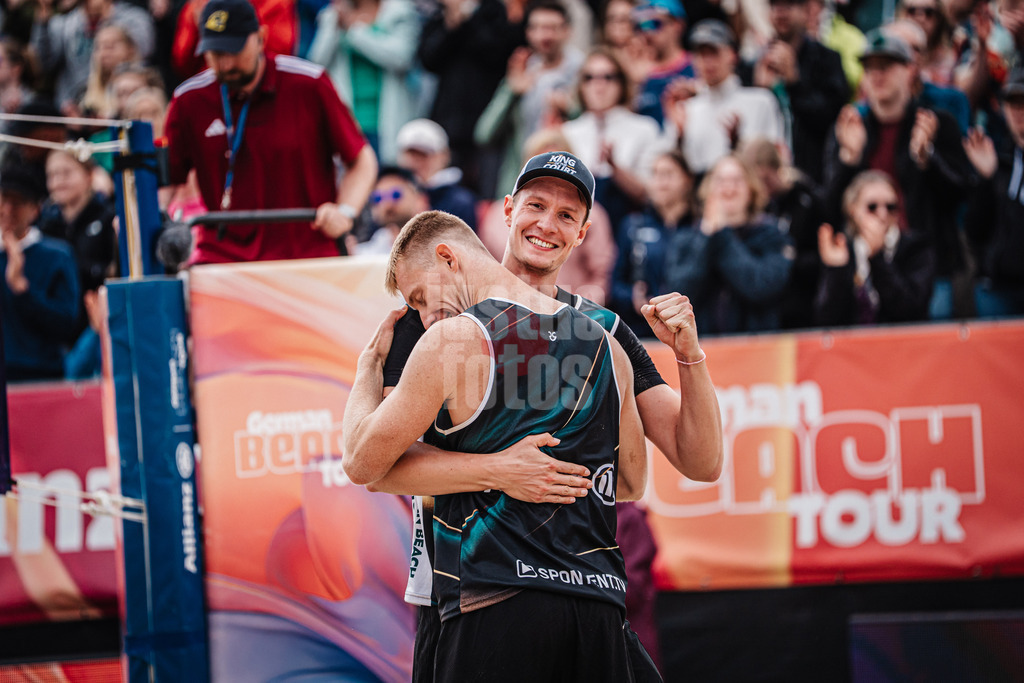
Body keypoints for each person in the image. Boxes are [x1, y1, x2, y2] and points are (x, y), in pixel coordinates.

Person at [370, 151, 722, 681]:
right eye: (536, 205)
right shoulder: (437, 312)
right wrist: (500, 470)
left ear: (582, 234)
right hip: (464, 591)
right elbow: (380, 465)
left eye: (566, 215)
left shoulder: (604, 332)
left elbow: (700, 461)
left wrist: (690, 356)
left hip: (578, 593)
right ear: (508, 210)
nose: (547, 224)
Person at [343, 207, 650, 681]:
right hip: (596, 602)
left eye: (421, 296)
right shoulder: (608, 347)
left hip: (495, 595)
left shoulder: (453, 340)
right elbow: (631, 481)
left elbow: (361, 461)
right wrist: (517, 470)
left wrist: (368, 367)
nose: (423, 316)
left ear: (448, 258)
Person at [164, 0, 378, 264]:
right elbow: (166, 182)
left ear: (261, 38)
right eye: (216, 54)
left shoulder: (308, 84)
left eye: (234, 50)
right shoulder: (189, 100)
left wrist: (345, 212)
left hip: (306, 253)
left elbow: (361, 159)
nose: (226, 64)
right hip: (222, 257)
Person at [822, 30, 976, 319]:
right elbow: (830, 208)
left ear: (910, 70)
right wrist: (848, 160)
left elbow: (961, 197)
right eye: (869, 67)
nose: (877, 75)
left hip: (928, 268)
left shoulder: (936, 123)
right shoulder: (849, 127)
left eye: (886, 65)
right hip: (864, 268)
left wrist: (927, 158)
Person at [663, 154, 794, 334]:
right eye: (721, 181)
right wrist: (707, 237)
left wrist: (722, 234)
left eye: (737, 180)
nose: (729, 188)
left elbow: (762, 287)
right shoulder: (686, 238)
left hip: (757, 344)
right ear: (708, 189)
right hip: (701, 346)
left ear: (751, 189)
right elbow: (679, 293)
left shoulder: (771, 235)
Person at [475, 0, 584, 200]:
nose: (545, 35)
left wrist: (570, 110)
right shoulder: (522, 70)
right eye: (538, 27)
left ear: (567, 31)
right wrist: (511, 92)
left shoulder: (584, 73)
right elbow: (484, 134)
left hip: (566, 183)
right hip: (519, 181)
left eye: (552, 28)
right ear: (528, 32)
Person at [416, 0, 517, 198]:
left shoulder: (494, 11)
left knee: (485, 189)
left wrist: (468, 20)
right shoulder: (439, 16)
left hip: (486, 120)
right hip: (448, 119)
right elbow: (428, 59)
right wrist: (451, 25)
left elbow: (497, 52)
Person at [661, 19, 785, 175]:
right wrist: (679, 136)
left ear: (732, 55)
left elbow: (776, 160)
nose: (707, 61)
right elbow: (672, 169)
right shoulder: (686, 109)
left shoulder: (761, 101)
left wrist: (738, 143)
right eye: (701, 54)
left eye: (713, 53)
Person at [307, 0, 422, 164]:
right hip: (348, 120)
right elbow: (317, 64)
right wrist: (333, 27)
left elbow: (401, 58)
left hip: (387, 120)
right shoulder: (333, 15)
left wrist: (354, 31)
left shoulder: (400, 12)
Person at [744, 0, 848, 181]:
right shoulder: (754, 63)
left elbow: (832, 120)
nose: (781, 13)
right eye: (775, 6)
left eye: (788, 5)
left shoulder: (827, 60)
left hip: (812, 175)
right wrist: (760, 91)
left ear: (805, 11)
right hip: (764, 176)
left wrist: (795, 82)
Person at [815, 170, 935, 325]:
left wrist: (877, 257)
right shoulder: (844, 249)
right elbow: (827, 319)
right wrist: (836, 271)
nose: (882, 214)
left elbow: (911, 310)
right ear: (853, 209)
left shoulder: (917, 247)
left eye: (890, 207)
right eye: (872, 207)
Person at [562, 47, 664, 232]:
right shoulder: (568, 131)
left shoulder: (644, 128)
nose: (599, 85)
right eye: (589, 77)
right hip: (577, 231)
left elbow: (651, 195)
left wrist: (615, 169)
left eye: (608, 77)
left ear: (622, 83)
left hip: (628, 229)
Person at [0, 164, 80, 382]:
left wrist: (22, 289)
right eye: (3, 200)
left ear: (35, 210)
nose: (7, 210)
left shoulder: (57, 256)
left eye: (17, 202)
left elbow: (66, 324)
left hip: (41, 377)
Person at [739, 137, 827, 330]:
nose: (762, 187)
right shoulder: (756, 208)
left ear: (776, 168)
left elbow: (821, 255)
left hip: (802, 301)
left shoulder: (807, 200)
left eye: (765, 179)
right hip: (769, 305)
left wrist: (790, 260)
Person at [961, 68, 1024, 316]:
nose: (1018, 111)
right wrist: (986, 180)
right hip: (999, 287)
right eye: (1012, 103)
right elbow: (975, 230)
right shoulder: (996, 157)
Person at [611, 149, 696, 332]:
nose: (660, 182)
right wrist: (632, 297)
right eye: (655, 174)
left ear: (687, 180)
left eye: (668, 174)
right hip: (643, 330)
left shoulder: (701, 227)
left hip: (693, 330)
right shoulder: (633, 225)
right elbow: (615, 284)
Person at [30, 0, 155, 116]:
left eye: (110, 46)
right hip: (77, 106)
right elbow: (42, 63)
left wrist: (107, 18)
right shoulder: (64, 23)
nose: (104, 53)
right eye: (99, 47)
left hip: (124, 104)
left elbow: (144, 50)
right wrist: (43, 19)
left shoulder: (134, 18)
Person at [38, 149, 117, 332]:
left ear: (89, 175)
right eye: (52, 175)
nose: (59, 181)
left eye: (66, 173)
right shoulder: (45, 225)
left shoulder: (108, 216)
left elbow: (111, 271)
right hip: (58, 322)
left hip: (96, 320)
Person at [395, 118, 479, 231]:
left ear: (444, 156)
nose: (416, 162)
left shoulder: (460, 201)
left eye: (424, 155)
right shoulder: (390, 194)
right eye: (411, 155)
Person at [631, 0, 695, 126]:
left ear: (677, 25)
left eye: (655, 24)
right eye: (643, 25)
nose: (648, 33)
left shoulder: (697, 66)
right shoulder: (637, 73)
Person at [355, 165, 429, 254]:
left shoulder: (439, 241)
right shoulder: (365, 252)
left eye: (395, 195)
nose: (387, 204)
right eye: (378, 198)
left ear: (420, 200)